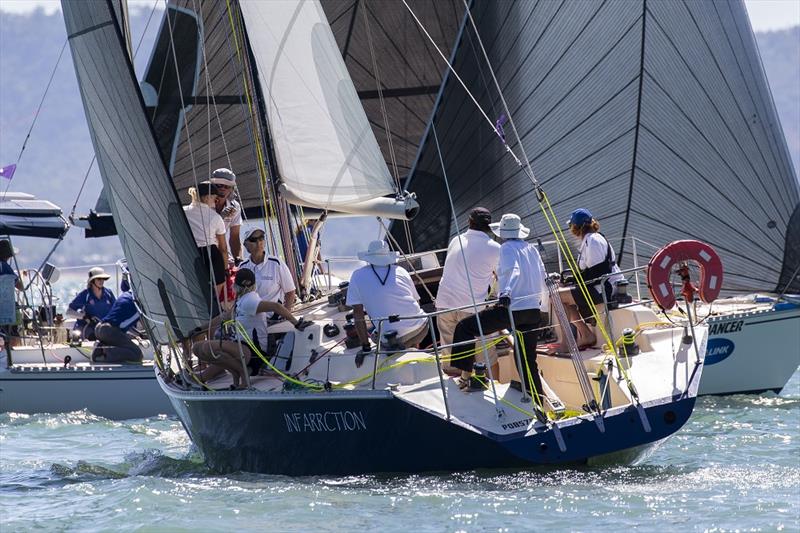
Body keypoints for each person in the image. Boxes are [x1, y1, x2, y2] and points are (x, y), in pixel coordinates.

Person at [451, 213, 546, 400]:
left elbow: (513, 271)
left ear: (502, 232)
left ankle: (464, 377)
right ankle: (538, 401)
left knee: (465, 327)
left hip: (512, 309)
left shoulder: (506, 248)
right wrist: (542, 307)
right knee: (526, 360)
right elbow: (543, 276)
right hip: (533, 311)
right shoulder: (531, 249)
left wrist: (505, 294)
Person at [187, 269, 311, 389]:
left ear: (237, 285)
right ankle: (236, 372)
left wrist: (296, 323)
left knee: (206, 347)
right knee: (197, 348)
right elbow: (222, 317)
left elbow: (276, 307)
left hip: (253, 351)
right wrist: (199, 329)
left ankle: (243, 373)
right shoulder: (241, 301)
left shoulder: (250, 301)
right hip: (241, 348)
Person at [435, 207, 501, 376]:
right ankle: (495, 388)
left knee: (452, 361)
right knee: (487, 358)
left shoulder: (455, 240)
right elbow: (501, 278)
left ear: (469, 222)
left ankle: (459, 397)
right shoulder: (494, 248)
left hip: (444, 306)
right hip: (471, 311)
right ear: (489, 226)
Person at [346, 240, 429, 367]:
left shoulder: (357, 276)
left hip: (395, 339)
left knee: (375, 336)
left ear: (369, 257)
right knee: (410, 330)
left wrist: (365, 347)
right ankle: (414, 351)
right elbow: (416, 301)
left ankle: (408, 355)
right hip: (421, 328)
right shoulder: (401, 270)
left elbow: (358, 314)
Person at [553, 208, 625, 351]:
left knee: (556, 296)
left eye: (571, 226)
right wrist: (570, 281)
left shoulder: (593, 241)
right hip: (601, 286)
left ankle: (568, 343)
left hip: (605, 289)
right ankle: (586, 335)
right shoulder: (592, 239)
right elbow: (593, 272)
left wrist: (573, 280)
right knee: (560, 293)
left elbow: (598, 272)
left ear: (576, 227)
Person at [184, 180, 228, 292]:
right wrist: (226, 270)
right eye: (214, 198)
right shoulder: (215, 217)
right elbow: (223, 248)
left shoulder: (183, 212)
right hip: (212, 256)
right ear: (207, 197)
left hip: (189, 254)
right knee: (214, 298)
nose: (216, 201)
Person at [239, 228, 297, 310]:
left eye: (261, 238)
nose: (258, 242)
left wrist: (285, 317)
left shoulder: (276, 263)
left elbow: (290, 292)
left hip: (273, 318)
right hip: (251, 317)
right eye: (253, 240)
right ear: (245, 245)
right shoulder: (242, 267)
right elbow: (240, 296)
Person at [92, 288, 143, 363]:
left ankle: (102, 347)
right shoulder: (139, 305)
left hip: (99, 328)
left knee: (123, 345)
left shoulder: (125, 295)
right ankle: (104, 352)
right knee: (137, 354)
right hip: (109, 331)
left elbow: (121, 322)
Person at [66, 267, 116, 341]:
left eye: (103, 279)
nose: (101, 281)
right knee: (95, 337)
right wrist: (84, 317)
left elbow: (116, 309)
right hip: (88, 329)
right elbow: (69, 312)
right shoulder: (85, 295)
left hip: (105, 328)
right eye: (99, 279)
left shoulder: (108, 293)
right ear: (92, 281)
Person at [210, 168, 243, 265]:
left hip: (222, 252)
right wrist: (220, 218)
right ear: (212, 186)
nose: (222, 188)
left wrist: (238, 259)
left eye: (227, 186)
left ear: (232, 189)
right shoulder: (203, 204)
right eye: (219, 185)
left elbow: (234, 237)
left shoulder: (235, 206)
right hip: (202, 251)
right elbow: (203, 233)